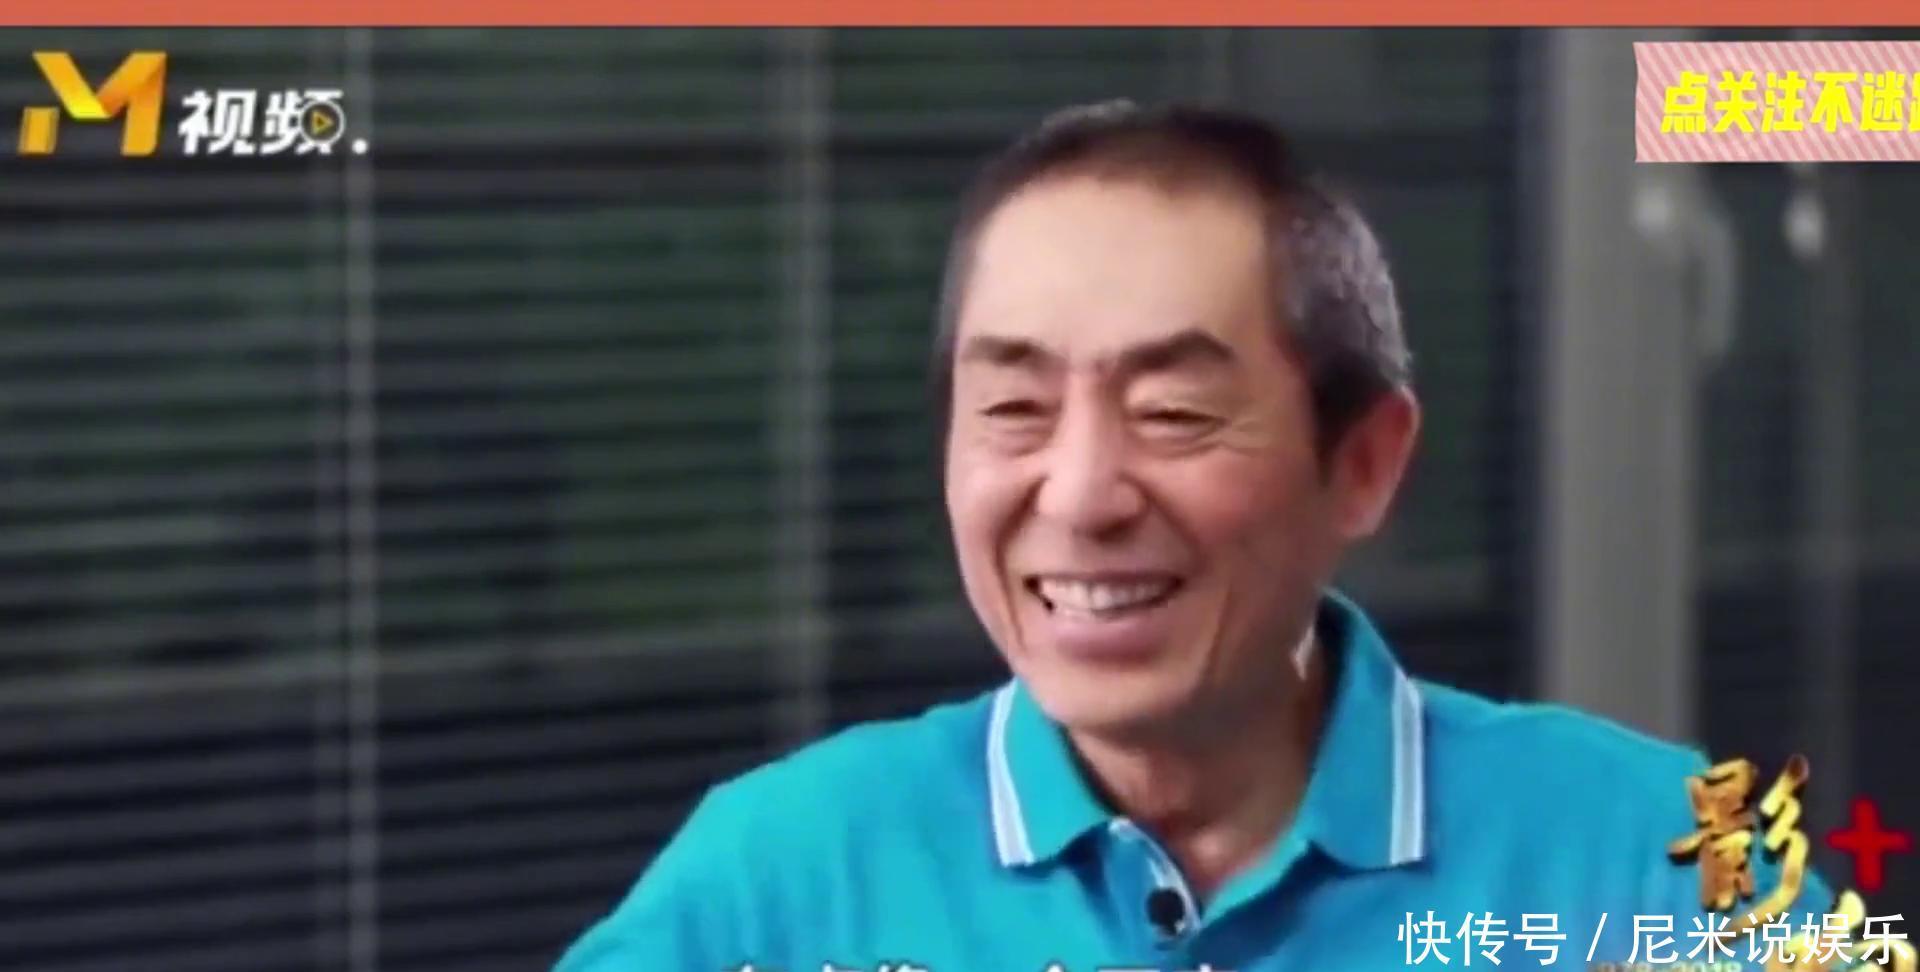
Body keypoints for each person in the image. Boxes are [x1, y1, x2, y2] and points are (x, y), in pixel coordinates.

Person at [556, 101, 1839, 971]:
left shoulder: (1663, 853)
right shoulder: (777, 880)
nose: (1080, 495)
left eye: (1173, 412)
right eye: (1013, 409)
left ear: (1362, 464)